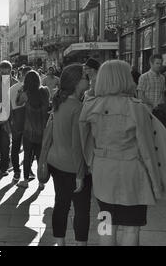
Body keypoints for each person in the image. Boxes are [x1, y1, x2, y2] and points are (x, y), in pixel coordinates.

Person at [79, 60, 166, 246]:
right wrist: (156, 182)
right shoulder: (137, 108)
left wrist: (92, 163)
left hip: (103, 171)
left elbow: (85, 141)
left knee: (105, 222)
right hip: (132, 173)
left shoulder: (90, 105)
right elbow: (147, 149)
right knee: (131, 227)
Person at [46, 64, 92, 246]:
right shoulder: (78, 107)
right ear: (76, 82)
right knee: (81, 211)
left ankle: (60, 242)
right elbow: (77, 145)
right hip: (73, 167)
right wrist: (81, 175)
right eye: (85, 77)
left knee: (61, 205)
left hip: (56, 163)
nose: (88, 80)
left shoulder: (60, 102)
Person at [16, 70, 50, 189]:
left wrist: (20, 92)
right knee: (40, 157)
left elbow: (18, 103)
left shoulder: (26, 94)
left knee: (27, 156)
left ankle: (25, 180)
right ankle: (41, 182)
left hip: (29, 130)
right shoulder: (45, 91)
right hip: (42, 130)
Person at [0, 61, 18, 177]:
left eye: (7, 71)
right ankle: (5, 156)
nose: (4, 73)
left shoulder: (15, 83)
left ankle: (4, 166)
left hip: (9, 116)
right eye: (2, 71)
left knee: (5, 142)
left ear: (10, 71)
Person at [9, 66, 32, 183]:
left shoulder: (12, 88)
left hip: (16, 120)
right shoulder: (32, 88)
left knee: (15, 147)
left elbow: (8, 106)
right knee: (28, 149)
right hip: (28, 121)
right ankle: (28, 171)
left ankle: (17, 172)